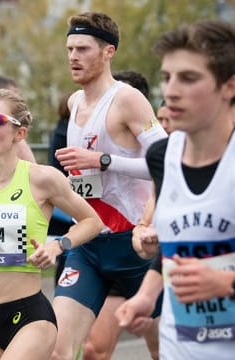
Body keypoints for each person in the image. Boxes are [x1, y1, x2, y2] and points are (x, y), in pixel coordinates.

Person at [0, 88, 103, 359]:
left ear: (20, 133)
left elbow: (92, 221)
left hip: (30, 315)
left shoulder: (42, 179)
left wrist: (57, 247)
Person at [116, 20, 235, 359]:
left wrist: (226, 285)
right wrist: (146, 295)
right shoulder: (161, 156)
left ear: (229, 86)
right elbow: (177, 248)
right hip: (179, 344)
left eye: (189, 78)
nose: (170, 91)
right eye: (167, 78)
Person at [51, 12, 167, 360]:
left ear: (108, 52)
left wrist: (102, 161)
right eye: (70, 48)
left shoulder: (126, 99)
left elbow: (166, 163)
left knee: (166, 351)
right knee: (60, 351)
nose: (73, 56)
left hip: (135, 243)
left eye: (83, 49)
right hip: (87, 243)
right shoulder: (73, 102)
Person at [81, 69, 160, 360]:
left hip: (143, 246)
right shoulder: (86, 126)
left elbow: (159, 175)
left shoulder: (159, 133)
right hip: (101, 245)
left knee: (161, 350)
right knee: (94, 350)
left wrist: (104, 161)